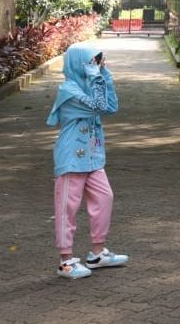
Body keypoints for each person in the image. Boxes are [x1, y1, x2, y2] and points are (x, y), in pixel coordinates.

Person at [47, 43, 129, 280]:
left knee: (105, 197)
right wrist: (96, 77)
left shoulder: (89, 84)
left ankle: (96, 254)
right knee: (67, 209)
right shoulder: (69, 91)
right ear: (78, 64)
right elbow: (100, 107)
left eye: (97, 61)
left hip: (93, 158)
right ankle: (65, 262)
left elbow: (112, 107)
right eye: (91, 61)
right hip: (71, 158)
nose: (95, 65)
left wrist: (104, 73)